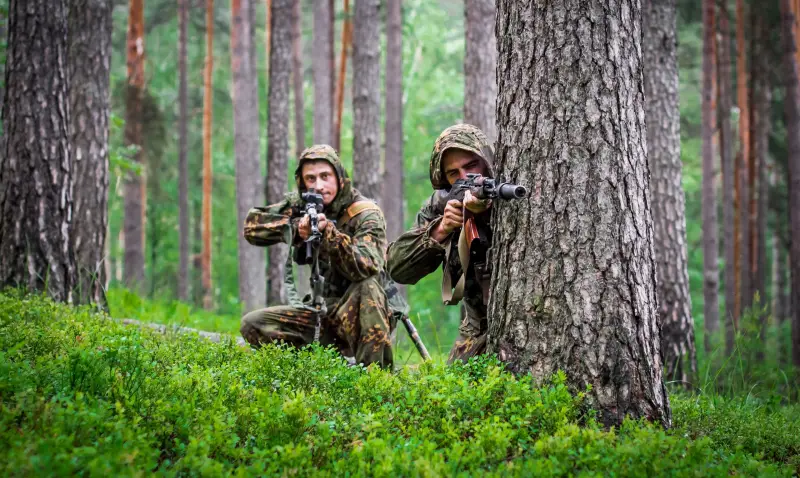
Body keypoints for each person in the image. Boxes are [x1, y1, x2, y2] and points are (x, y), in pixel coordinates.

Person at [240, 144, 401, 369]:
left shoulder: (365, 214)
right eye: (311, 178)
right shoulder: (303, 205)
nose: (319, 185)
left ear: (339, 176)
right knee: (253, 324)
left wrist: (331, 237)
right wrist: (296, 228)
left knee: (368, 286)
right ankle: (330, 371)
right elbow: (252, 227)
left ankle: (376, 383)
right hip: (323, 315)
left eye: (325, 176)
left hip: (364, 314)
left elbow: (368, 265)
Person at [386, 124, 495, 364]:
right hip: (475, 331)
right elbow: (396, 267)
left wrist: (486, 214)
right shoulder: (441, 205)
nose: (465, 178)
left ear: (486, 161)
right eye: (454, 173)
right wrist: (442, 229)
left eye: (471, 166)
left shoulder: (504, 192)